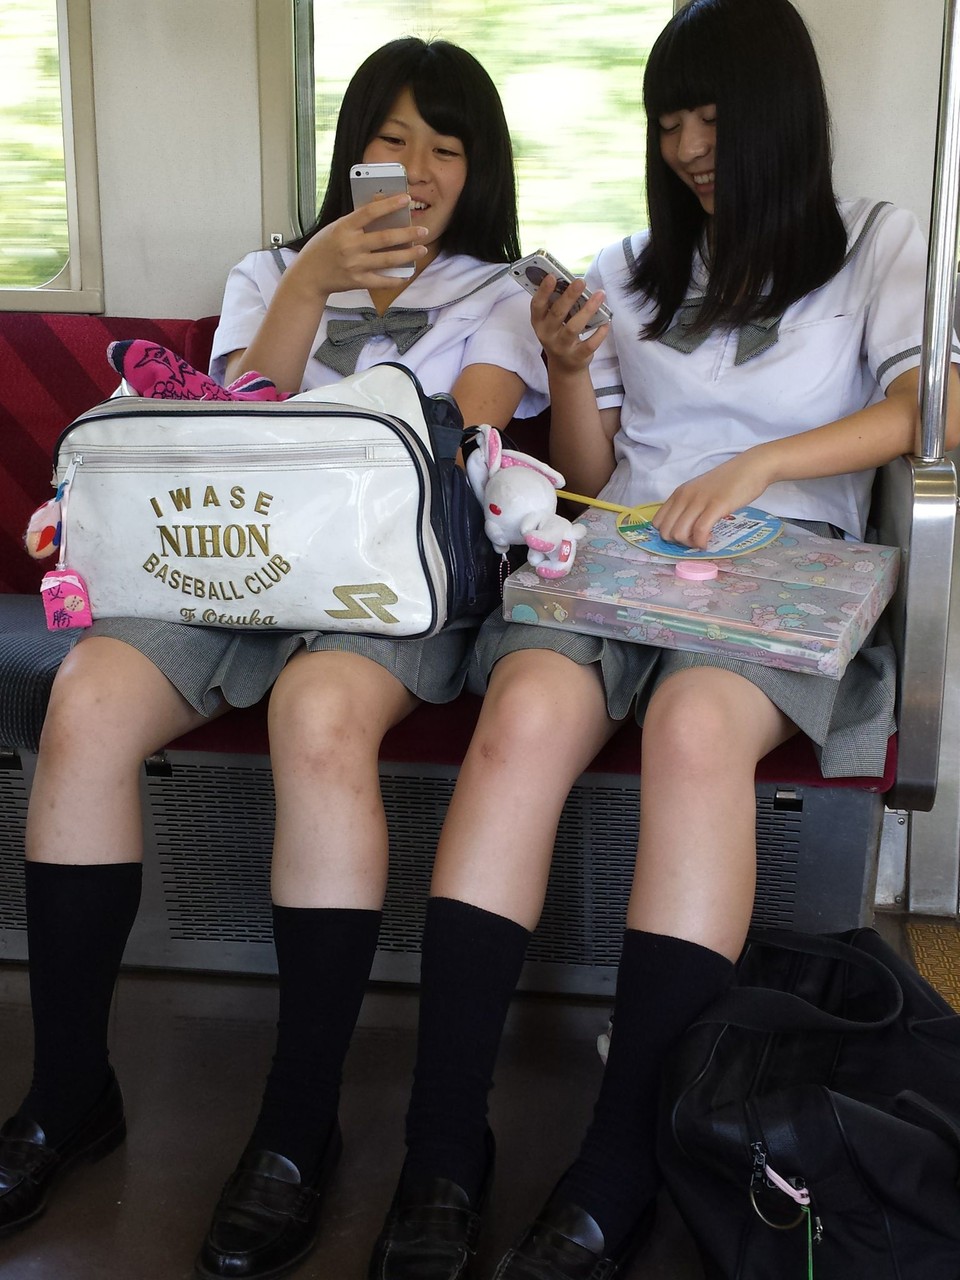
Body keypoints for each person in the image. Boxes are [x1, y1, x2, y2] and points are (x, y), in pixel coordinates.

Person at [366, 3, 960, 1279]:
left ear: (781, 115)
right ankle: (440, 1147)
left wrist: (763, 465)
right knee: (524, 712)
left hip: (780, 573)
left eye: (713, 119)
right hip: (617, 554)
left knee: (696, 727)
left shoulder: (876, 242)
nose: (689, 148)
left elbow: (936, 405)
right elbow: (593, 467)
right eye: (670, 122)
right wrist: (568, 372)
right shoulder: (627, 265)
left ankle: (621, 1159)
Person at [0, 37, 547, 1280]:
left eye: (447, 148)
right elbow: (233, 416)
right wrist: (312, 280)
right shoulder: (270, 270)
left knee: (318, 712)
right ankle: (70, 1090)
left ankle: (298, 1124)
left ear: (482, 171)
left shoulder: (501, 291)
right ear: (352, 152)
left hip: (390, 583)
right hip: (232, 562)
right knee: (85, 699)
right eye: (392, 141)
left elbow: (460, 439)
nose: (417, 169)